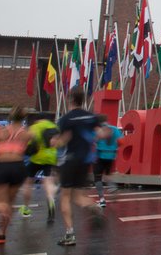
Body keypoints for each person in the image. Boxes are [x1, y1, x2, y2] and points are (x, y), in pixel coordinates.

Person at [54, 87, 110, 246]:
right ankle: (93, 207)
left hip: (70, 160)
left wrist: (54, 142)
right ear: (83, 100)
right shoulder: (91, 117)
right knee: (77, 196)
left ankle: (69, 234)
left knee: (65, 197)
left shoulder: (66, 119)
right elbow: (101, 134)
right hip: (85, 162)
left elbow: (63, 140)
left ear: (70, 99)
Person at [0, 107, 32, 244]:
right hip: (18, 167)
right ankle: (1, 233)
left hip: (2, 166)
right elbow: (33, 149)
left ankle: (3, 212)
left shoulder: (1, 132)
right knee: (10, 202)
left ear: (10, 117)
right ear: (23, 118)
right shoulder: (27, 134)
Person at [21, 112, 59, 222]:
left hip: (36, 158)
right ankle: (51, 201)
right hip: (51, 157)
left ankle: (26, 208)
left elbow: (29, 143)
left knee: (28, 181)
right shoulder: (55, 127)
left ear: (38, 119)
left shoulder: (34, 127)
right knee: (48, 181)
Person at [93, 118, 123, 207]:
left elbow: (94, 141)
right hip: (111, 155)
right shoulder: (114, 129)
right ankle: (112, 187)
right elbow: (121, 141)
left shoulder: (98, 130)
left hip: (100, 155)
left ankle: (102, 200)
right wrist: (115, 147)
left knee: (98, 178)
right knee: (107, 174)